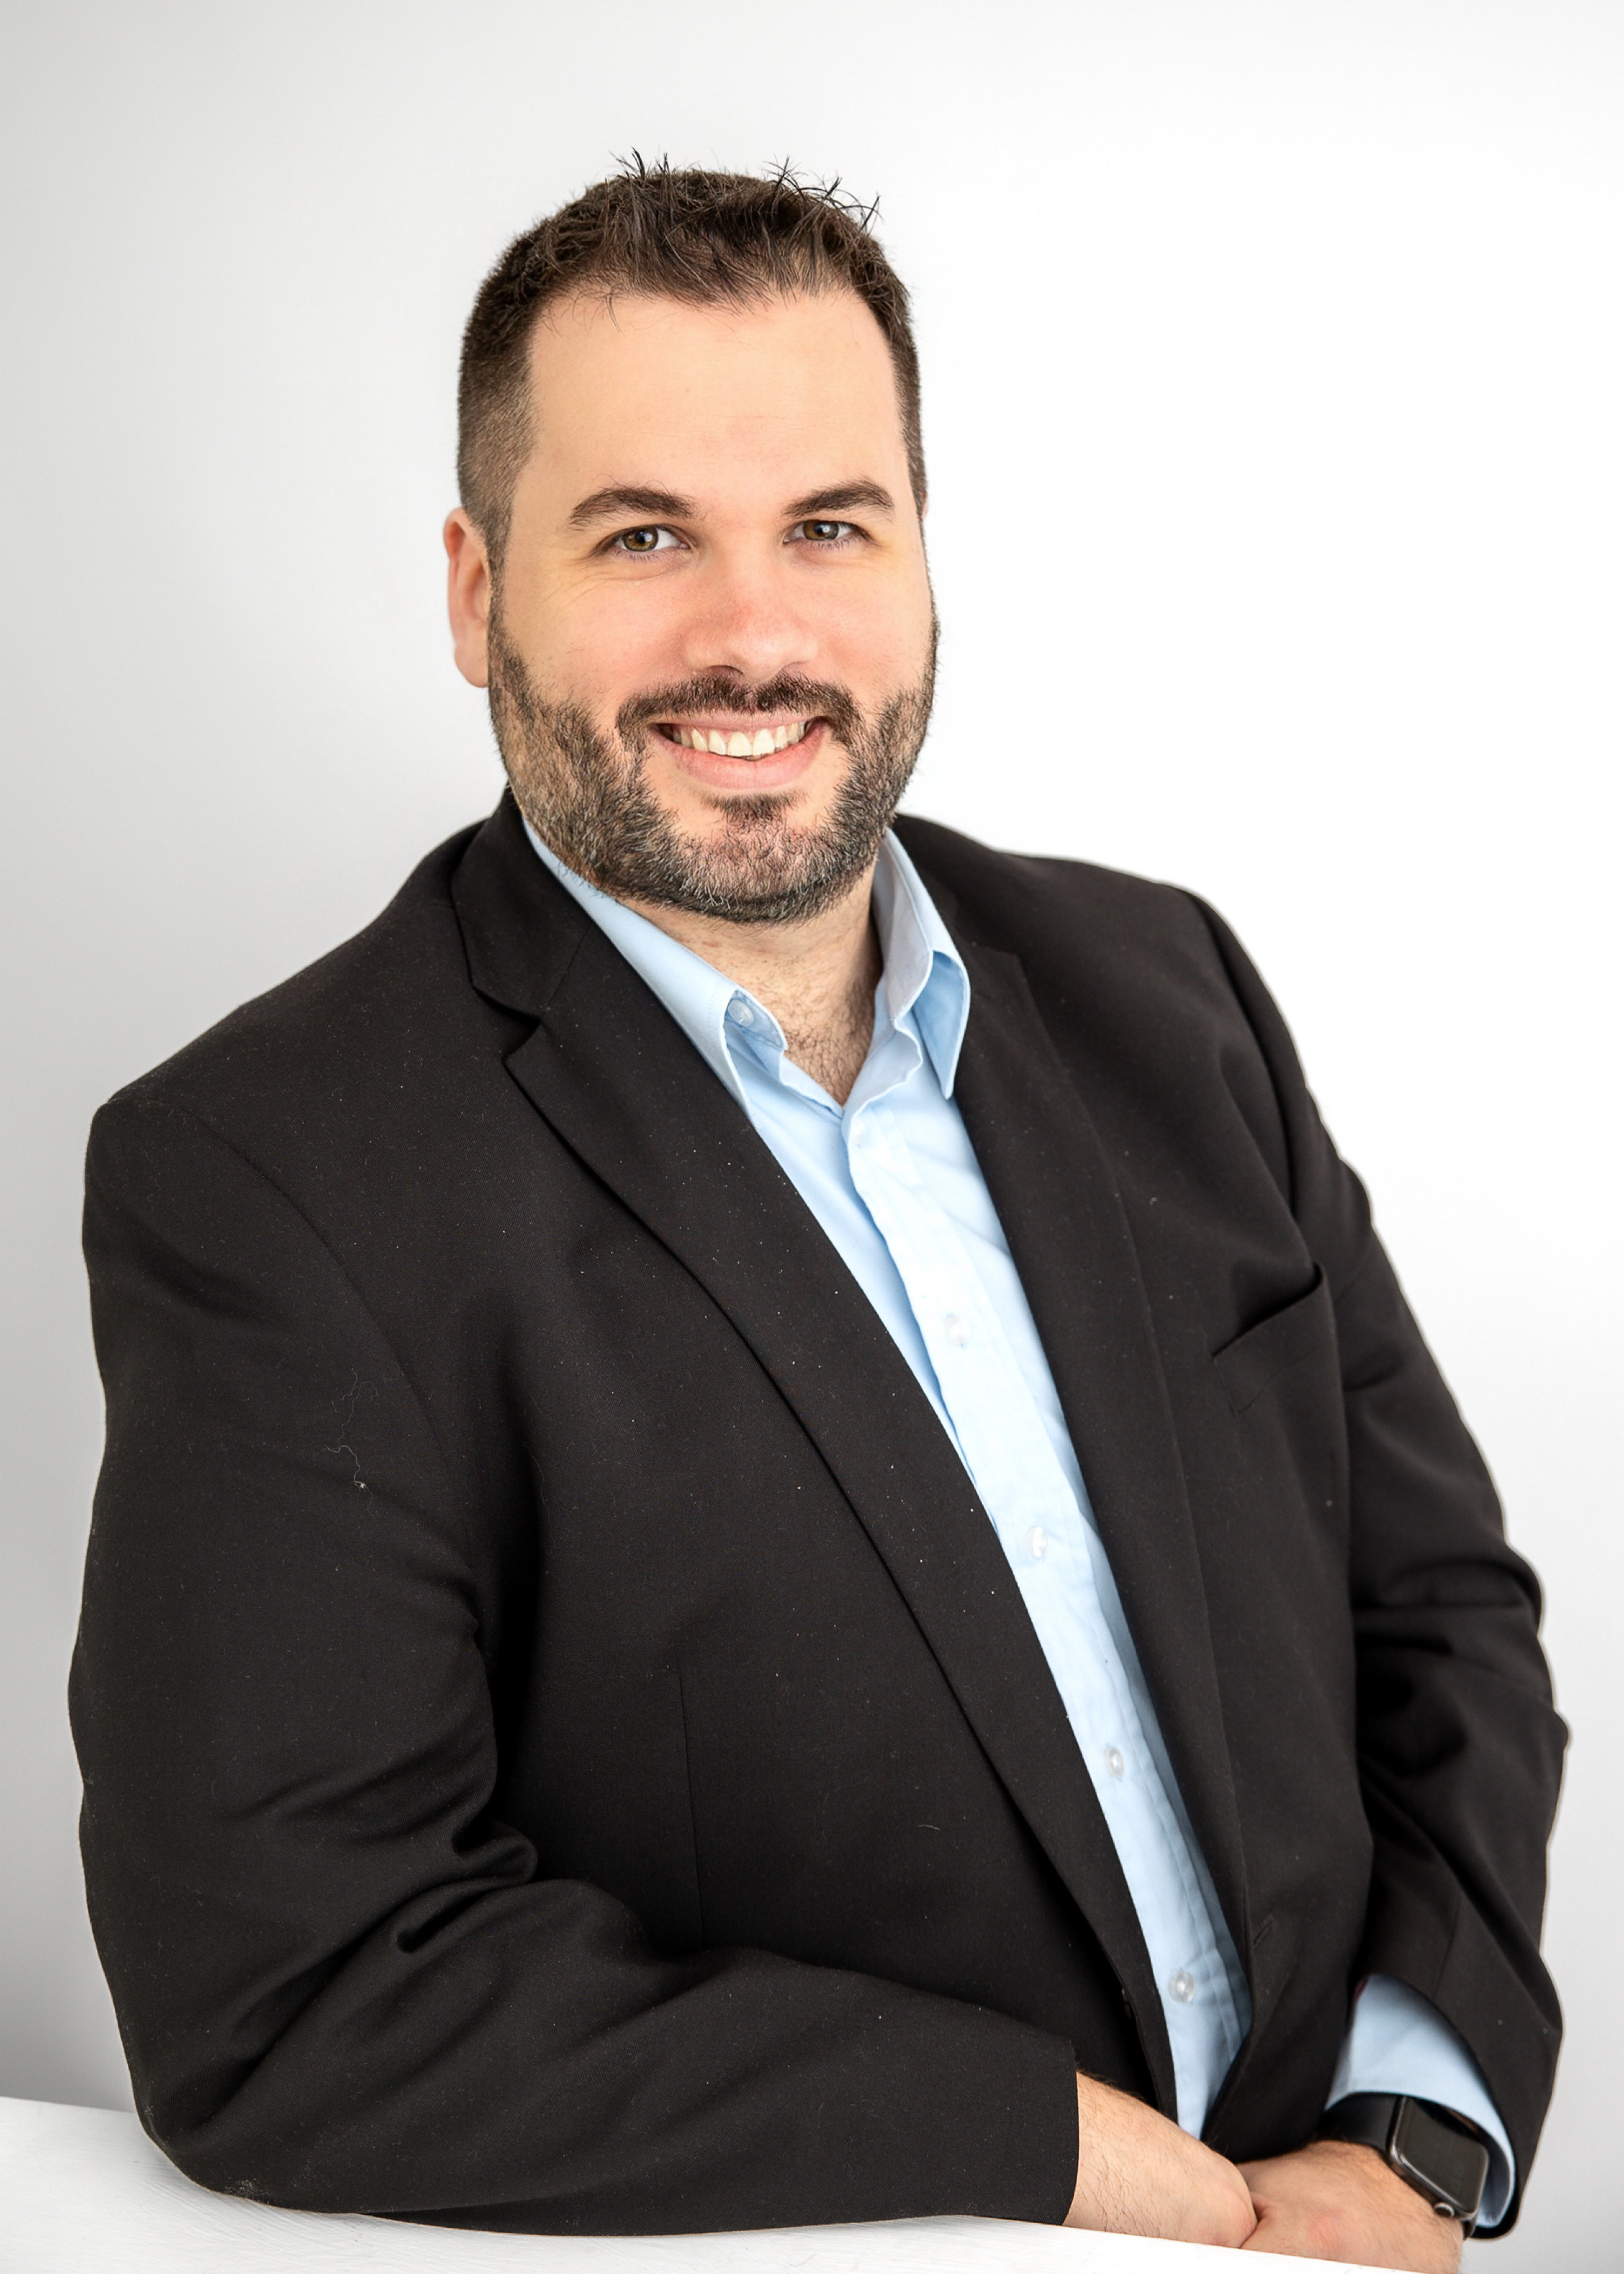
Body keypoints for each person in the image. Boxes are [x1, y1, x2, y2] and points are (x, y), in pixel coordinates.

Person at [70, 164, 1563, 2265]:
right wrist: (1050, 2157)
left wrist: (1406, 2126)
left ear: (925, 562)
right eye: (644, 534)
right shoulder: (269, 1175)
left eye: (829, 528)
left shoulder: (1171, 996)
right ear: (476, 591)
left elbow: (1437, 1621)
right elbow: (297, 1986)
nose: (752, 634)